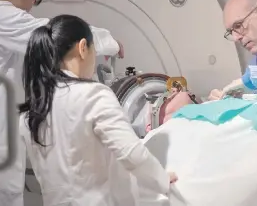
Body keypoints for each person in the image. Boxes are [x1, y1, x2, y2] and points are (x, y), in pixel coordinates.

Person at [0, 0, 123, 206]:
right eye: (33, 1)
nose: (29, 10)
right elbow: (52, 36)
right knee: (1, 194)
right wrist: (108, 41)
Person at [18, 14, 177, 205]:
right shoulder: (93, 94)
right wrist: (162, 180)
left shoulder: (31, 112)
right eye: (94, 51)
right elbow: (132, 154)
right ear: (83, 48)